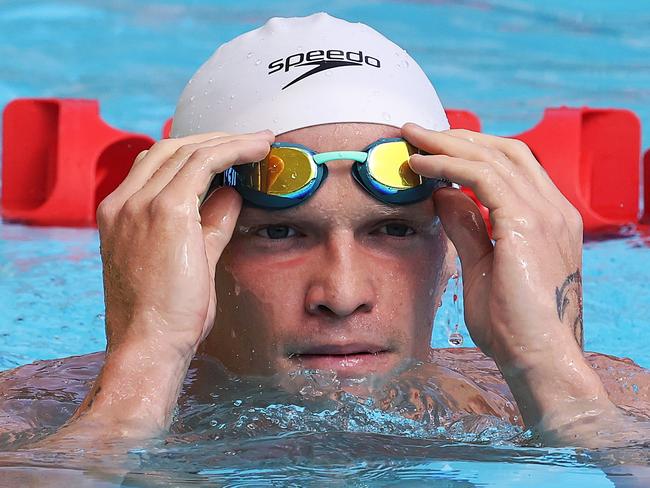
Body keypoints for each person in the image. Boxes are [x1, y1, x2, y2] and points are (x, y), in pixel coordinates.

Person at [2, 12, 649, 453]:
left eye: (393, 230)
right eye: (280, 235)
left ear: (451, 251)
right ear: (185, 251)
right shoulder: (33, 419)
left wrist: (559, 389)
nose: (341, 295)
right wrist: (139, 382)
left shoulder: (606, 399)